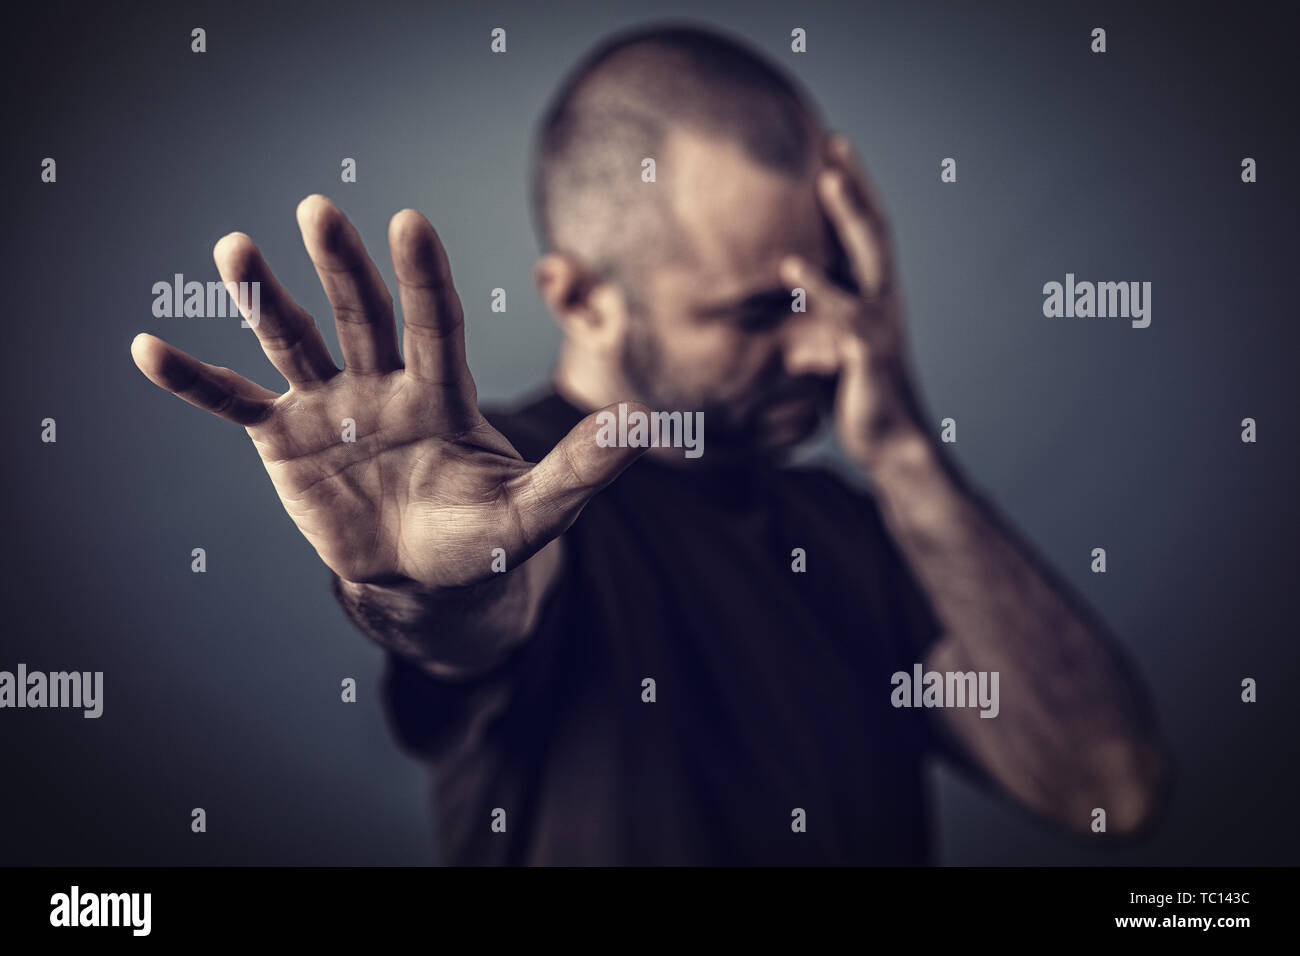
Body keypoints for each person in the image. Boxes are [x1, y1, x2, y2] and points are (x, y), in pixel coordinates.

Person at [130, 25, 1171, 865]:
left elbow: (1108, 788)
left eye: (834, 292)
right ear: (581, 296)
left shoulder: (851, 526)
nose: (826, 343)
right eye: (762, 310)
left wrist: (900, 446)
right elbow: (484, 608)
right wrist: (424, 584)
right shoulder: (516, 487)